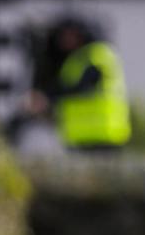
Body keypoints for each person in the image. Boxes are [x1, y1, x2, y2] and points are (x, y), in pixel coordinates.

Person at [27, 16, 131, 150]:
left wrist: (47, 97)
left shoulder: (98, 54)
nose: (65, 40)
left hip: (104, 137)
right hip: (79, 137)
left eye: (70, 35)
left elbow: (81, 87)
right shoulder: (76, 59)